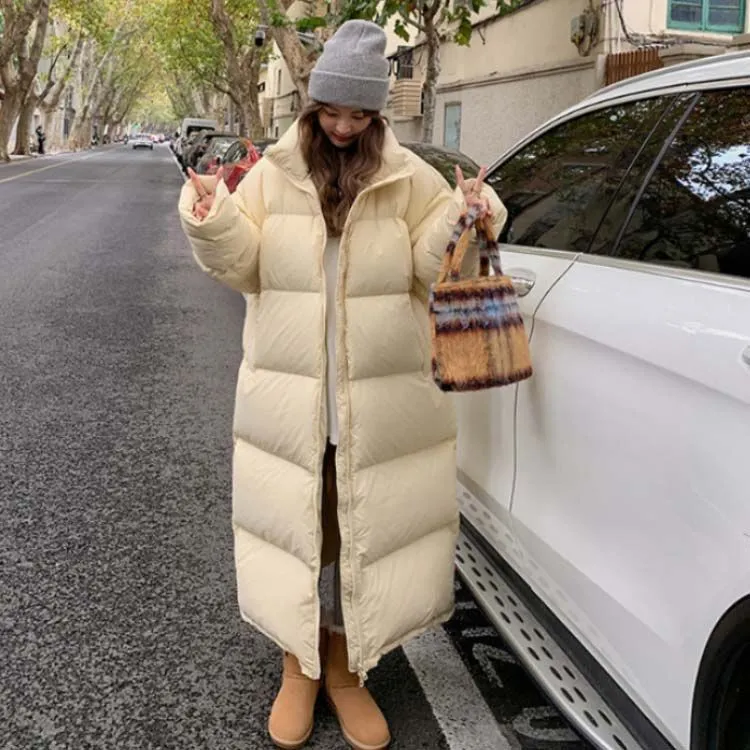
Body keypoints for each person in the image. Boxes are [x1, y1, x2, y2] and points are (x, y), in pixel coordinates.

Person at [178, 19, 506, 750]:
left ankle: (349, 668)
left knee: (367, 533)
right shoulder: (273, 172)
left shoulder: (409, 176)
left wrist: (467, 215)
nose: (344, 126)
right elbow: (246, 268)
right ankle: (299, 665)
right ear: (313, 105)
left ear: (378, 113)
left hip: (381, 399)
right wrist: (213, 217)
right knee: (302, 533)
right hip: (291, 396)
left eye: (360, 113)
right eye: (332, 110)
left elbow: (430, 270)